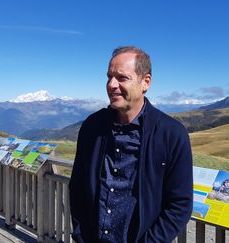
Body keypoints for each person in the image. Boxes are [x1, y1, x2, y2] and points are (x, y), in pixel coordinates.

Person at [69, 46, 193, 243]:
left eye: (122, 78)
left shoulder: (172, 134)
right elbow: (78, 186)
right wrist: (80, 233)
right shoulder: (92, 127)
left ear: (146, 82)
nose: (111, 84)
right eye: (109, 76)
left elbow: (180, 204)